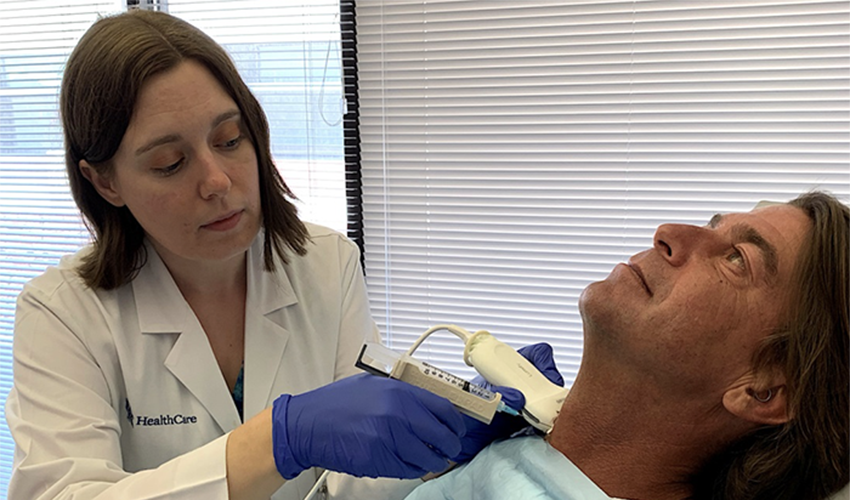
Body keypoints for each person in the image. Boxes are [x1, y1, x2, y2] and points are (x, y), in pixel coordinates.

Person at [4, 9, 560, 500]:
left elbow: (348, 481)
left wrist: (452, 428)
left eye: (229, 139)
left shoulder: (327, 264)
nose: (218, 180)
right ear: (105, 182)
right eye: (171, 163)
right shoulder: (62, 313)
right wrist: (278, 440)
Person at [406, 191, 850, 500]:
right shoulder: (504, 441)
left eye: (737, 259)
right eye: (711, 226)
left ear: (763, 390)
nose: (668, 232)